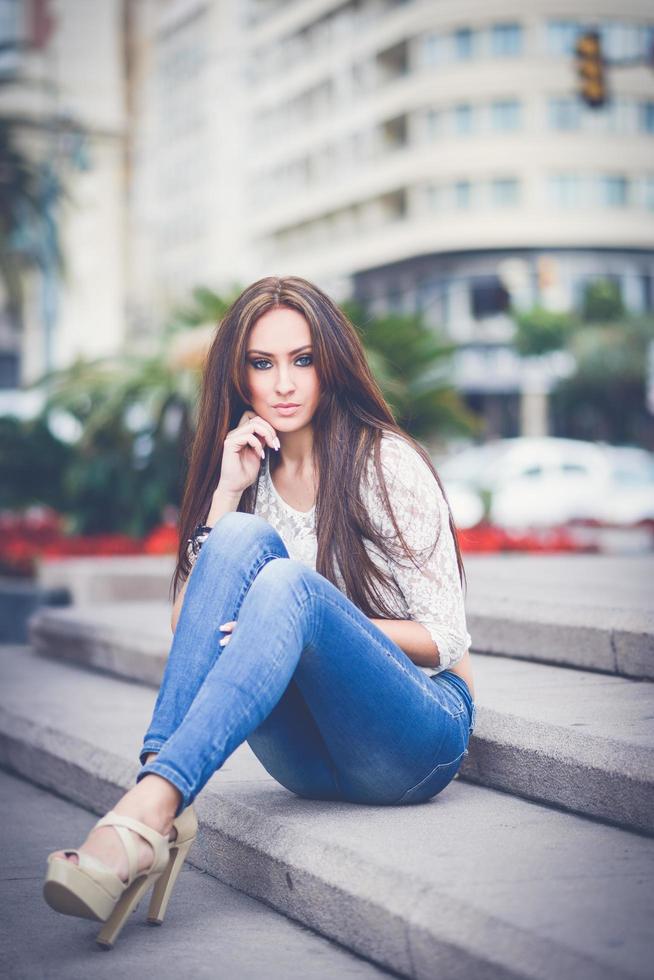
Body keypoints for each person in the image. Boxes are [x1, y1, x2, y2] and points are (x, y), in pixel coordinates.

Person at [42, 275, 476, 947]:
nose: (284, 383)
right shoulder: (247, 477)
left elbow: (446, 638)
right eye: (262, 363)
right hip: (311, 759)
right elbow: (187, 626)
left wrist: (301, 622)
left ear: (331, 365)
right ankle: (161, 789)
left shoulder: (385, 463)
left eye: (302, 360)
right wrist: (224, 492)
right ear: (238, 376)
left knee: (287, 588)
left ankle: (144, 812)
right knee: (243, 542)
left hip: (416, 736)